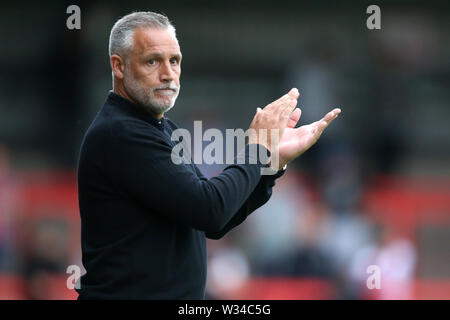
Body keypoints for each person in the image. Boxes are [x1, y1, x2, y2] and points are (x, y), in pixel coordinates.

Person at [76, 11, 340, 299]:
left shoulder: (157, 129)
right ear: (119, 66)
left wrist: (271, 163)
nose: (168, 73)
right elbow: (210, 209)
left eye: (174, 61)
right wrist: (258, 148)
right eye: (152, 61)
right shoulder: (121, 132)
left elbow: (214, 221)